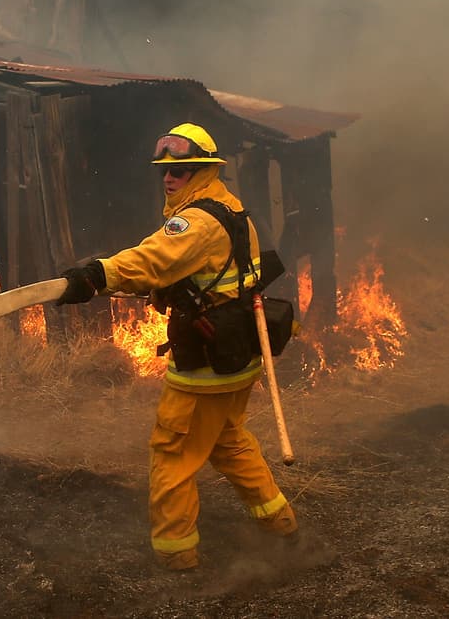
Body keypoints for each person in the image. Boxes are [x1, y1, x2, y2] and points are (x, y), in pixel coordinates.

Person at [57, 123, 298, 572]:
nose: (169, 178)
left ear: (203, 170)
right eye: (164, 171)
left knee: (172, 449)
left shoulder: (197, 221)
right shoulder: (230, 207)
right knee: (228, 441)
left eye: (182, 170)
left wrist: (95, 276)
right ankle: (280, 522)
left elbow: (152, 259)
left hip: (206, 364)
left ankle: (177, 555)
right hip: (237, 355)